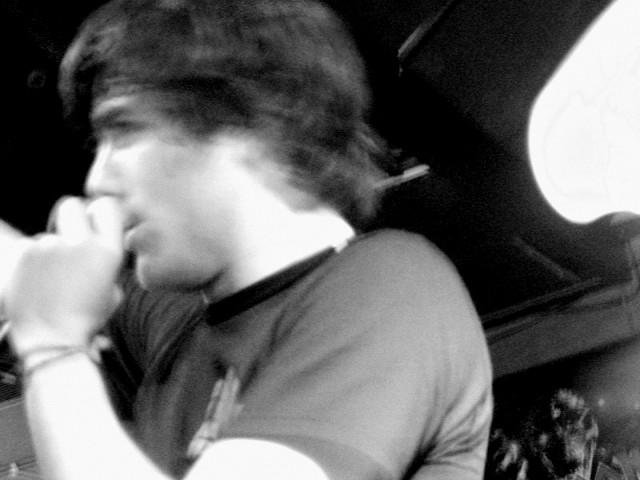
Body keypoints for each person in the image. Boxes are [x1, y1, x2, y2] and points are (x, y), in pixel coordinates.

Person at [2, 0, 493, 479]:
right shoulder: (181, 333)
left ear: (251, 124)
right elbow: (17, 269)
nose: (96, 181)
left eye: (125, 129)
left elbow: (49, 315)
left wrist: (54, 347)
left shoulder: (393, 288)